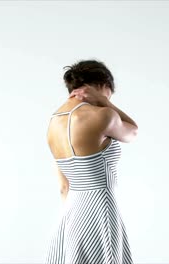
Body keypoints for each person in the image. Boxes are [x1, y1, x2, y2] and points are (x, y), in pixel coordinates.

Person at [45, 59, 138, 264]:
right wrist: (105, 102)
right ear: (103, 85)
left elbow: (63, 186)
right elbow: (132, 131)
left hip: (70, 211)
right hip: (100, 208)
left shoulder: (53, 122)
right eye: (109, 93)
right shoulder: (104, 115)